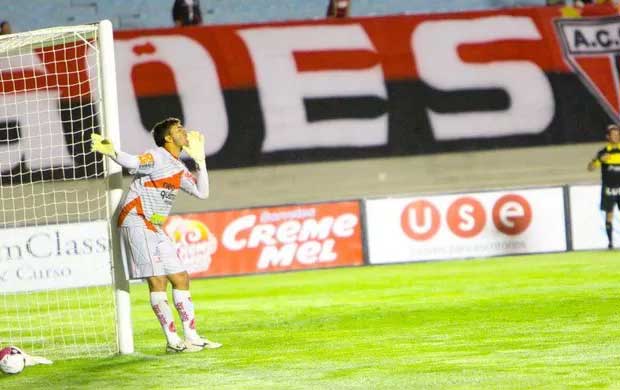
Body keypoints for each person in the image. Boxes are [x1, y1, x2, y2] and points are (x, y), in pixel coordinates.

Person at [90, 118, 221, 353]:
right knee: (157, 280)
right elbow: (131, 161)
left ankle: (191, 336)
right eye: (179, 129)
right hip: (136, 221)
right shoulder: (156, 156)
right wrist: (112, 152)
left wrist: (200, 162)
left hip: (156, 227)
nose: (185, 132)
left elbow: (203, 193)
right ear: (168, 138)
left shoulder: (179, 167)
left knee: (180, 277)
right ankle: (172, 341)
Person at [587, 124, 620, 249]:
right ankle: (610, 243)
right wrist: (600, 160)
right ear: (608, 137)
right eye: (613, 134)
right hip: (609, 188)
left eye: (618, 134)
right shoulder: (603, 152)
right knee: (609, 214)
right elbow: (590, 168)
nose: (616, 136)